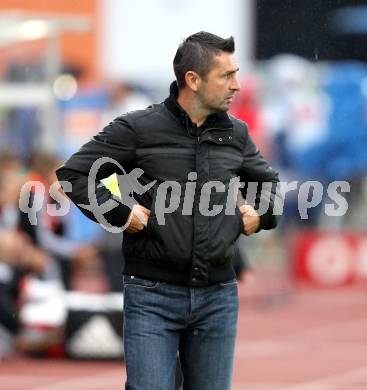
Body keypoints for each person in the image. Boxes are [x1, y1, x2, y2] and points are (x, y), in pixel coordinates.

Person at [56, 31, 280, 390]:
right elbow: (74, 173)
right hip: (151, 295)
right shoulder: (138, 128)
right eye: (227, 75)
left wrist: (261, 214)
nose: (236, 85)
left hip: (218, 297)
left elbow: (268, 186)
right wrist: (120, 211)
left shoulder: (236, 134)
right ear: (193, 80)